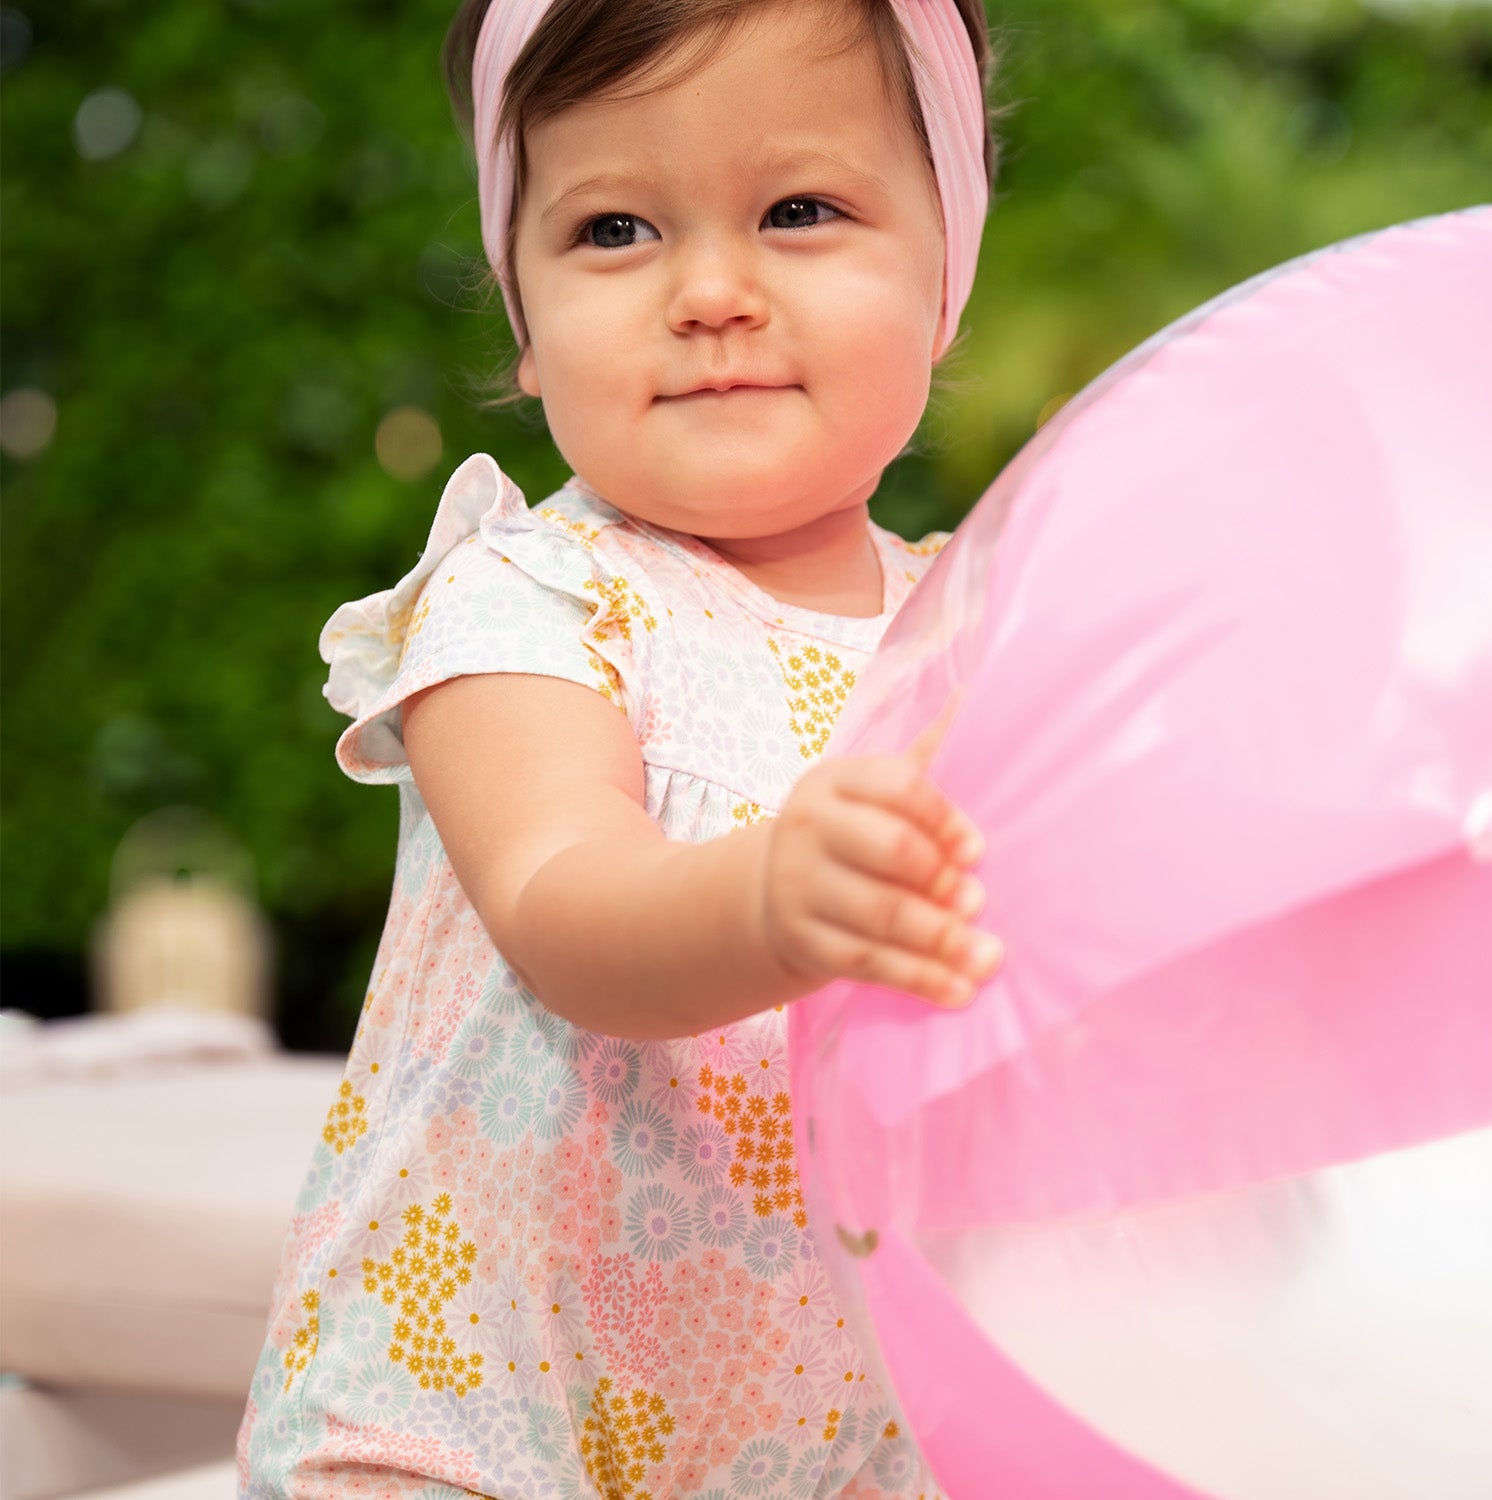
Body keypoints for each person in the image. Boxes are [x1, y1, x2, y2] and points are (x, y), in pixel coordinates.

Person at [239, 0, 1000, 1494]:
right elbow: (566, 905)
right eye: (612, 232)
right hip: (468, 1427)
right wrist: (772, 901)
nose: (710, 291)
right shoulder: (528, 600)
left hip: (834, 1436)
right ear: (524, 322)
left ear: (946, 281)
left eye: (799, 209)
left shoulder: (974, 633)